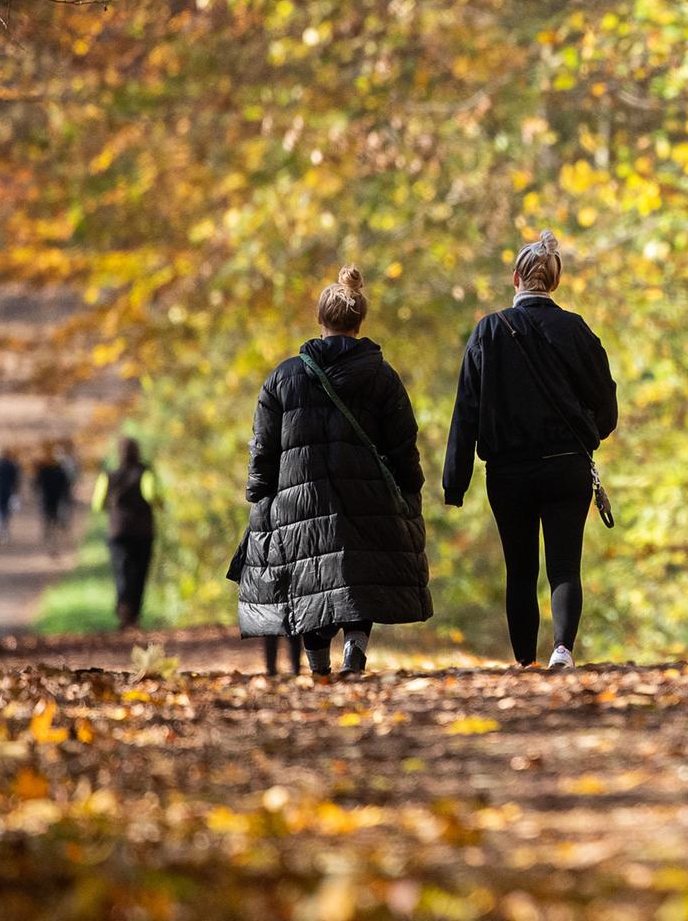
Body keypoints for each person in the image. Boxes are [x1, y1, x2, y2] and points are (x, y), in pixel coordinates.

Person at [236, 266, 431, 676]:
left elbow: (264, 446)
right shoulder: (382, 377)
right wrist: (411, 487)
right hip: (367, 498)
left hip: (299, 500)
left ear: (320, 320)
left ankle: (319, 667)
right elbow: (402, 443)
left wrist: (258, 490)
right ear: (360, 322)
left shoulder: (283, 378)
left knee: (310, 578)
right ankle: (355, 646)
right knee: (361, 573)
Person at [443, 230, 618, 670]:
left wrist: (455, 479)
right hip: (566, 467)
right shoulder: (575, 329)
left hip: (509, 472)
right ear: (553, 282)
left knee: (520, 569)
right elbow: (606, 399)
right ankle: (562, 649)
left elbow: (466, 407)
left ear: (516, 278)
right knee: (564, 565)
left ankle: (524, 663)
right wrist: (588, 435)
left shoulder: (488, 330)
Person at [91, 438, 160, 629]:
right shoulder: (145, 472)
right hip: (143, 531)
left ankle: (123, 609)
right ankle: (135, 615)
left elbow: (97, 504)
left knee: (121, 571)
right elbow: (152, 495)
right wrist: (160, 505)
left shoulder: (109, 474)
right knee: (139, 572)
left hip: (117, 531)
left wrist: (112, 508)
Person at [33, 444, 75, 558]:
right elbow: (65, 487)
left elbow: (36, 484)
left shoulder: (43, 470)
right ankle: (52, 546)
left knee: (48, 524)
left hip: (46, 501)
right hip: (56, 501)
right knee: (53, 524)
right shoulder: (59, 470)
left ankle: (51, 546)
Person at [0, 449, 21, 544]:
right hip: (8, 491)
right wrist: (16, 492)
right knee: (6, 512)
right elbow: (16, 481)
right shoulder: (12, 466)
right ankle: (4, 531)